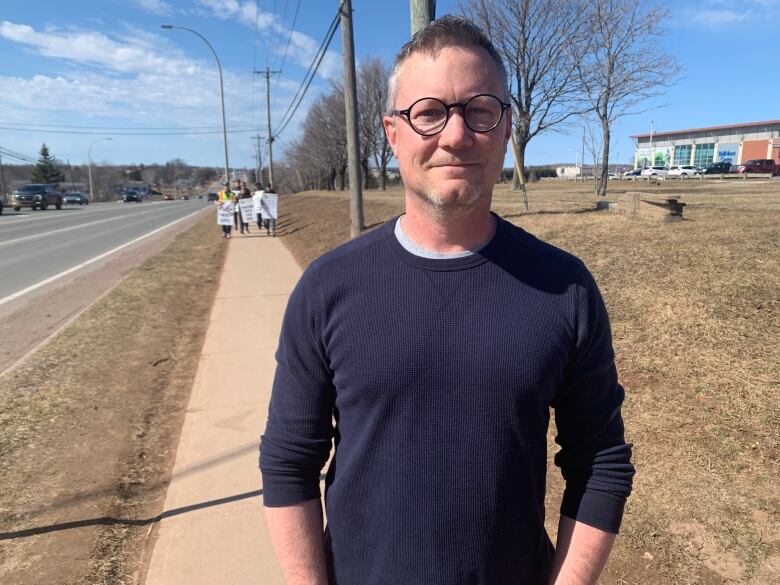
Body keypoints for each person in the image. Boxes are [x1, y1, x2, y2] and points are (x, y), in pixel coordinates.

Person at [260, 15, 634, 585]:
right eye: (429, 112)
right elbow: (289, 462)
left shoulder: (566, 290)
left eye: (480, 110)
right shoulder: (327, 288)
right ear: (392, 134)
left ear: (506, 129)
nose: (456, 135)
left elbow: (600, 461)